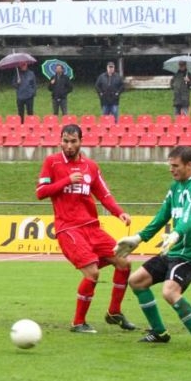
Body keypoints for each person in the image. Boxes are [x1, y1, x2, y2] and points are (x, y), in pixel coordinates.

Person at [36, 123, 136, 333]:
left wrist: (119, 212)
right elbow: (41, 192)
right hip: (68, 229)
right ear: (60, 141)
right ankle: (78, 323)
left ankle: (114, 312)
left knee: (124, 262)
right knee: (92, 273)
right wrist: (67, 180)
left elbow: (104, 194)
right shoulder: (52, 162)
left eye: (73, 141)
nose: (69, 146)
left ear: (81, 141)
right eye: (65, 141)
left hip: (92, 228)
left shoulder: (91, 166)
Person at [116, 145, 191, 344]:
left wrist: (176, 233)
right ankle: (159, 332)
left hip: (189, 255)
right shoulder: (175, 186)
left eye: (175, 165)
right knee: (137, 281)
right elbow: (162, 215)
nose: (171, 169)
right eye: (170, 165)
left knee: (170, 292)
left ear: (190, 165)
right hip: (174, 251)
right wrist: (138, 238)